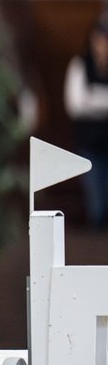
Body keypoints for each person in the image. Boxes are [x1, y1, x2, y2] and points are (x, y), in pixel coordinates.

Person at [65, 15, 108, 227]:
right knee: (97, 205)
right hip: (90, 146)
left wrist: (93, 98)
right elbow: (76, 104)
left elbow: (87, 102)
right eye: (100, 40)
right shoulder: (80, 65)